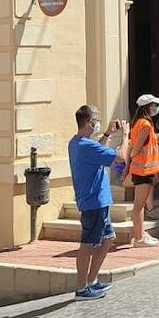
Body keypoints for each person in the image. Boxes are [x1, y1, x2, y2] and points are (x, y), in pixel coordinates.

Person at [68, 106, 129, 300]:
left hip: (99, 201)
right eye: (95, 119)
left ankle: (92, 280)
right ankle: (81, 288)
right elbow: (120, 157)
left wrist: (108, 134)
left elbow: (99, 152)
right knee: (88, 244)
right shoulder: (86, 145)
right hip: (93, 202)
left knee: (108, 238)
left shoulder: (77, 143)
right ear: (88, 123)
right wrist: (125, 136)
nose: (98, 122)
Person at [128, 94, 159, 247]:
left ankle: (141, 234)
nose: (156, 108)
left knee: (140, 205)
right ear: (147, 107)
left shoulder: (139, 123)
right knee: (138, 206)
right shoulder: (145, 125)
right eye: (153, 105)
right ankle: (139, 238)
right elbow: (136, 149)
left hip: (143, 170)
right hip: (143, 170)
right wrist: (132, 155)